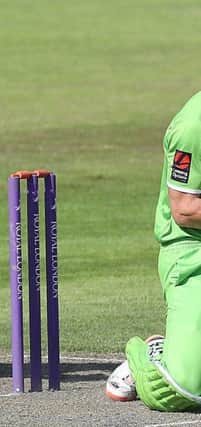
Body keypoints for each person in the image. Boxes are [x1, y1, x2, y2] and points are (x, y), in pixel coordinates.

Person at [106, 91, 201, 411]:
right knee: (182, 388)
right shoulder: (194, 124)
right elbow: (185, 209)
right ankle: (152, 354)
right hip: (192, 252)